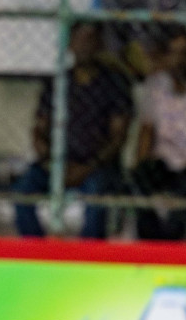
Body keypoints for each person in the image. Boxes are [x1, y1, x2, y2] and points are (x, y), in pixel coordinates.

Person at [12, 21, 131, 239]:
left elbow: (118, 137)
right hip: (56, 162)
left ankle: (88, 256)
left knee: (97, 195)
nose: (85, 46)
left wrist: (87, 167)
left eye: (91, 39)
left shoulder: (114, 83)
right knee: (22, 192)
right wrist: (51, 162)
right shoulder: (57, 82)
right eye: (80, 39)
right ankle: (35, 251)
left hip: (96, 165)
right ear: (69, 45)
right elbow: (39, 128)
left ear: (100, 45)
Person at [129, 28, 186, 240]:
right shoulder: (155, 87)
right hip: (163, 159)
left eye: (185, 53)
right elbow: (147, 130)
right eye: (175, 53)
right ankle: (149, 239)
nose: (180, 60)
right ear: (166, 57)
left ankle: (171, 241)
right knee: (139, 179)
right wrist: (139, 163)